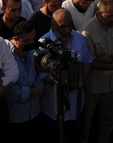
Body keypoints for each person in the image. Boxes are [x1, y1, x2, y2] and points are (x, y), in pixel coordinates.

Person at [37, 9, 92, 141]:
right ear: (53, 25)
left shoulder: (79, 38)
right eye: (63, 27)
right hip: (52, 107)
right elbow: (42, 74)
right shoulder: (43, 43)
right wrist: (64, 83)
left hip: (76, 105)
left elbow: (88, 62)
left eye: (69, 25)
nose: (67, 30)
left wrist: (78, 81)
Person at [80, 0, 113, 143]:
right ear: (99, 13)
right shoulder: (87, 31)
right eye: (110, 15)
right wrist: (112, 63)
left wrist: (108, 59)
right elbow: (90, 62)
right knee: (87, 121)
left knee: (108, 120)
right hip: (94, 85)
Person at [5, 19, 44, 139]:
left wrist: (39, 87)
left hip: (35, 112)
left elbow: (40, 73)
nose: (31, 43)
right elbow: (7, 87)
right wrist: (32, 92)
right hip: (16, 117)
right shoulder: (6, 55)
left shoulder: (34, 50)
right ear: (16, 38)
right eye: (27, 41)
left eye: (33, 39)